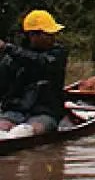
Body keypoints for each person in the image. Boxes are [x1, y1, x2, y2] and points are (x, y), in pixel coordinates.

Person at [0, 10, 68, 138]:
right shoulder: (10, 59)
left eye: (53, 33)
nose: (53, 37)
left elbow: (39, 62)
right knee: (2, 127)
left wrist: (7, 48)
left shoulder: (58, 54)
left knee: (25, 132)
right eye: (48, 34)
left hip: (45, 113)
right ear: (32, 35)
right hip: (14, 111)